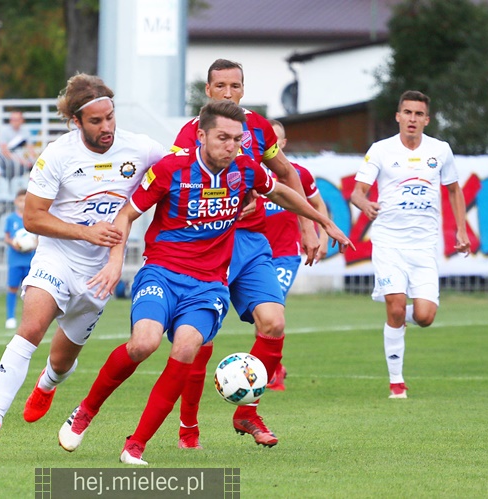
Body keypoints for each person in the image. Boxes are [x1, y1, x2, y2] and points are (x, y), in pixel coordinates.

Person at [57, 100, 353, 465]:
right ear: (201, 135)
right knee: (143, 344)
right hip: (162, 273)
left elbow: (281, 192)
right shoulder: (170, 169)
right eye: (222, 138)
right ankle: (86, 410)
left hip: (209, 284)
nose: (231, 147)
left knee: (185, 349)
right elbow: (127, 213)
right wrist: (116, 262)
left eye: (237, 139)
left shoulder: (246, 169)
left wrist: (323, 221)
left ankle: (136, 444)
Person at [0, 73, 167, 452]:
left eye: (110, 117)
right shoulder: (57, 155)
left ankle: (47, 384)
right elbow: (33, 218)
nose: (106, 127)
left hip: (99, 273)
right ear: (76, 121)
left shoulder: (141, 149)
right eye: (96, 121)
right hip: (57, 257)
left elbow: (178, 170)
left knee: (60, 361)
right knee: (31, 329)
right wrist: (86, 232)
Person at [170, 59, 321, 448]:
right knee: (200, 338)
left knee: (273, 322)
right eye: (219, 85)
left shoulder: (259, 127)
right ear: (208, 90)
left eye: (234, 85)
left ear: (242, 89)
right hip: (210, 242)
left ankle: (247, 413)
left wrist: (308, 225)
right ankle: (189, 427)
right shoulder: (191, 133)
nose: (227, 92)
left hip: (252, 241)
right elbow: (181, 181)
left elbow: (285, 173)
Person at [350, 90, 470, 399]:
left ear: (426, 119)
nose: (412, 119)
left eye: (419, 114)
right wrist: (364, 203)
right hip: (389, 242)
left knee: (426, 316)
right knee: (396, 305)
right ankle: (396, 382)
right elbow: (357, 192)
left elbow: (455, 191)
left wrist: (461, 230)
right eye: (408, 112)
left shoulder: (440, 150)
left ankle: (399, 318)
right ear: (398, 116)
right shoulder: (381, 150)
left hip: (424, 245)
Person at [261, 119, 330, 390]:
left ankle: (272, 373)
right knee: (260, 315)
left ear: (284, 143)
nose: (272, 144)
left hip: (285, 254)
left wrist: (322, 235)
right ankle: (275, 366)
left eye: (276, 140)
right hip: (255, 256)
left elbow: (317, 204)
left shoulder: (297, 174)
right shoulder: (251, 173)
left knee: (272, 309)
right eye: (268, 140)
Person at [3, 189, 36, 329]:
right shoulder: (11, 219)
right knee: (12, 288)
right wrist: (14, 244)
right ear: (15, 202)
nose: (23, 203)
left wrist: (33, 244)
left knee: (30, 291)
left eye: (25, 200)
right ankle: (10, 317)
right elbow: (6, 237)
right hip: (15, 260)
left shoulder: (32, 218)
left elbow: (38, 237)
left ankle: (28, 320)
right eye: (20, 200)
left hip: (30, 260)